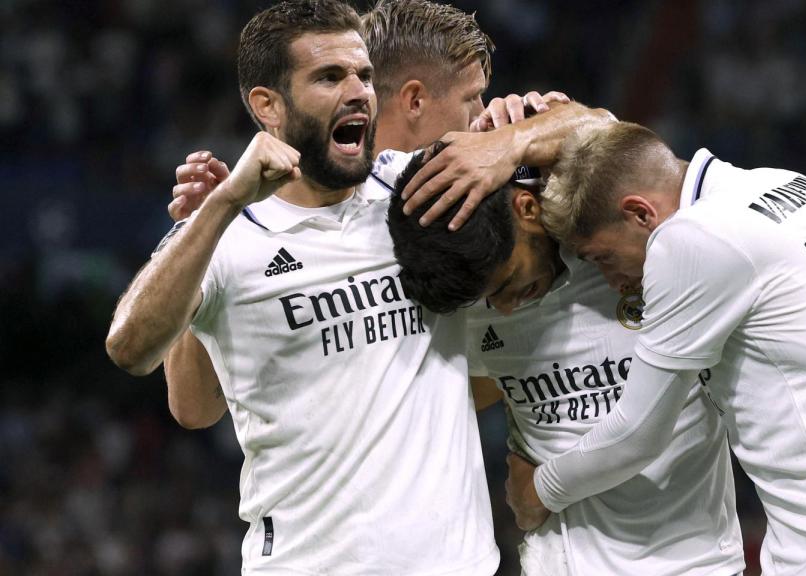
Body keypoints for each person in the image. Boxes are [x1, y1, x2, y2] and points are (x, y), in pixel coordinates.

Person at [105, 0, 607, 572]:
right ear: (267, 105)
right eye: (329, 76)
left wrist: (515, 140)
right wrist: (214, 214)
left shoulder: (418, 191)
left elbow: (602, 132)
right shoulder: (232, 230)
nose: (358, 91)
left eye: (364, 74)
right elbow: (143, 360)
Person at [387, 142, 806, 575]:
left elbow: (637, 433)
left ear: (640, 215)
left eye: (603, 258)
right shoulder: (780, 187)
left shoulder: (694, 241)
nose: (616, 278)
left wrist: (537, 492)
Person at [163, 0, 570, 429]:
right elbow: (193, 408)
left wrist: (525, 138)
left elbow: (603, 135)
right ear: (414, 100)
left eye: (364, 77)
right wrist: (205, 235)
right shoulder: (260, 218)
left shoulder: (461, 197)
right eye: (472, 98)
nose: (482, 113)